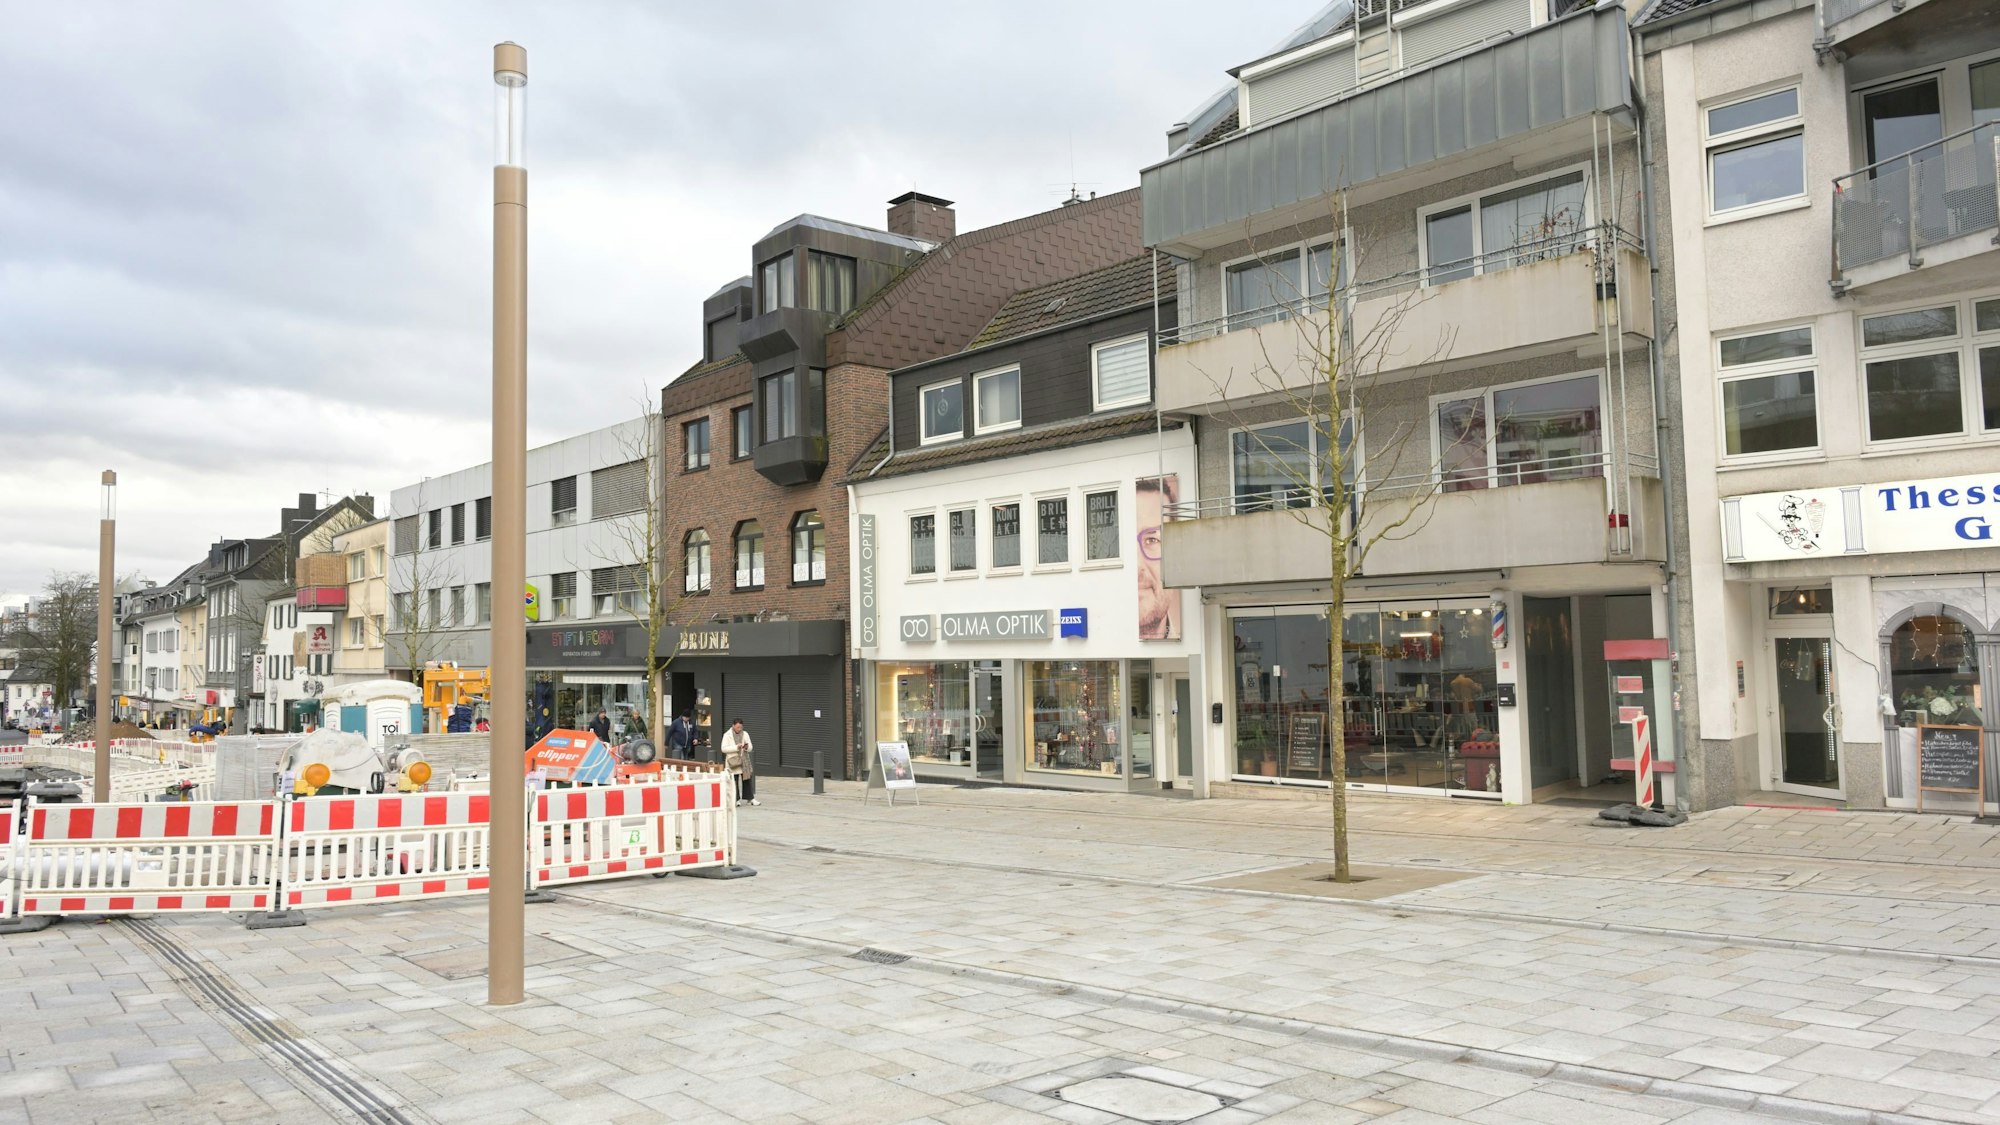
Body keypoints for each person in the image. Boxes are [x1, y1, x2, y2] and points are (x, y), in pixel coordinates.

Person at [720, 719, 758, 806]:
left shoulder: (745, 734)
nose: (739, 729)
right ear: (733, 726)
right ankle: (736, 800)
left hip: (744, 760)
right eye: (737, 727)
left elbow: (751, 747)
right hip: (734, 761)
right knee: (734, 780)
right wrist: (736, 747)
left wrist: (746, 747)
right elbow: (723, 748)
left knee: (747, 779)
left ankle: (750, 798)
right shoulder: (727, 735)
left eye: (741, 727)